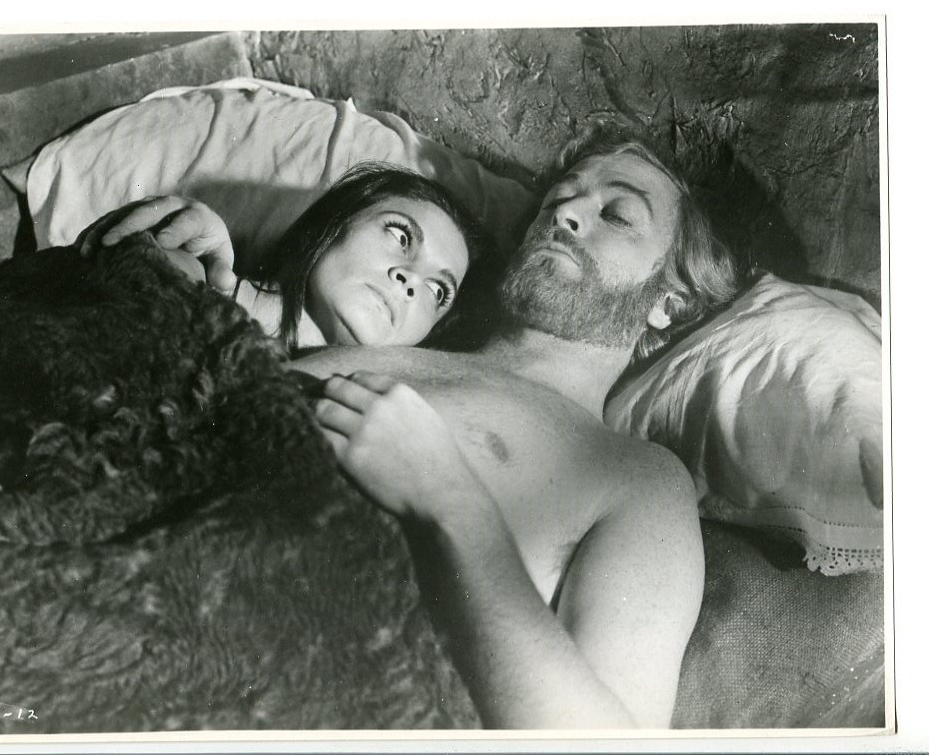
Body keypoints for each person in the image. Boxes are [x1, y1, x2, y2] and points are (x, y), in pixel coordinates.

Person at [102, 116, 739, 728]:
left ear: (669, 302)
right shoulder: (394, 333)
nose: (565, 213)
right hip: (122, 564)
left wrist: (451, 501)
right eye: (558, 198)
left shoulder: (642, 479)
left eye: (617, 214)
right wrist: (202, 284)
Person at [88, 163, 483, 351]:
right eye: (400, 235)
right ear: (335, 221)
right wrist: (150, 250)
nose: (412, 280)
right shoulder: (194, 280)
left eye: (438, 290)